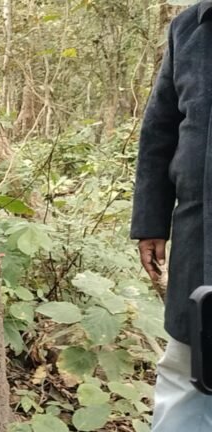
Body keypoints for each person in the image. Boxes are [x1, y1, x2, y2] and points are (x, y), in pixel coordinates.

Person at [131, 2, 212, 430]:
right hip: (199, 236)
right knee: (187, 362)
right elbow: (160, 128)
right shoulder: (189, 28)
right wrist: (150, 220)